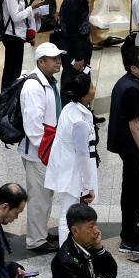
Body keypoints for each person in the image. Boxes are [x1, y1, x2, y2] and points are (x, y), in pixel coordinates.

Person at [108, 43, 139, 256]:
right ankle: (129, 237)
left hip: (128, 148)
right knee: (135, 193)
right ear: (134, 68)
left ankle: (130, 232)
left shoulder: (127, 83)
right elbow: (135, 125)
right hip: (134, 150)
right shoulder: (132, 89)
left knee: (131, 191)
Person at [19, 42, 65, 252]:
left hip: (47, 150)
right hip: (39, 152)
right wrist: (47, 151)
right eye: (53, 58)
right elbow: (33, 127)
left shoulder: (48, 81)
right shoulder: (33, 86)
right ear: (41, 62)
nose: (58, 61)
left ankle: (41, 234)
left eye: (58, 57)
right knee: (38, 196)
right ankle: (35, 240)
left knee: (45, 195)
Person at [46, 73, 98, 241]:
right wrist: (88, 185)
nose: (94, 89)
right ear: (84, 95)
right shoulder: (79, 121)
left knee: (69, 212)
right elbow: (82, 155)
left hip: (69, 166)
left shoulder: (70, 108)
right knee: (68, 214)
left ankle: (73, 248)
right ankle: (65, 252)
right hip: (74, 170)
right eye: (91, 87)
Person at [0, 0, 43, 90]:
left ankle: (8, 98)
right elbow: (15, 16)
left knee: (13, 70)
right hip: (12, 36)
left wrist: (33, 15)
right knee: (11, 71)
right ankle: (6, 100)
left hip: (16, 35)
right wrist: (31, 7)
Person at [59, 0, 94, 82]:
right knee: (73, 80)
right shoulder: (72, 2)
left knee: (85, 76)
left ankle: (84, 98)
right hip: (73, 49)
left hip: (84, 45)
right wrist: (78, 56)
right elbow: (72, 32)